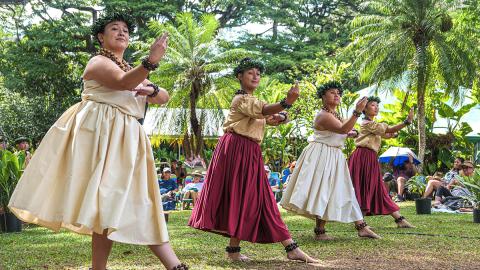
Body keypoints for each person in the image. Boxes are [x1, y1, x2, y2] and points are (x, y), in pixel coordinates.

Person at [8, 13, 187, 270]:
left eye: (125, 29)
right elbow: (122, 83)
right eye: (115, 28)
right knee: (110, 200)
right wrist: (151, 61)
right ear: (101, 37)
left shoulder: (131, 68)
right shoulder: (98, 61)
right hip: (102, 138)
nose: (122, 32)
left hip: (128, 139)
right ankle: (171, 266)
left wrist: (153, 90)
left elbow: (163, 97)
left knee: (131, 200)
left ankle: (107, 268)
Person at [188, 58, 317, 263]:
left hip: (248, 150)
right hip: (237, 149)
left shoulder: (252, 102)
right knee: (251, 196)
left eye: (258, 72)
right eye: (250, 72)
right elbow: (265, 110)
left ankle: (234, 251)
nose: (255, 76)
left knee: (248, 196)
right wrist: (287, 103)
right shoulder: (242, 99)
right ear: (240, 76)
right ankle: (290, 248)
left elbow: (269, 116)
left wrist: (282, 115)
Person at [281, 81, 379, 240]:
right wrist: (356, 112)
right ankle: (358, 227)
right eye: (332, 92)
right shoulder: (323, 115)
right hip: (321, 154)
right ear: (323, 96)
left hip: (332, 154)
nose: (337, 95)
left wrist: (349, 132)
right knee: (325, 190)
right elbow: (342, 129)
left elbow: (342, 130)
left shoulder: (334, 114)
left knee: (335, 189)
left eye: (338, 93)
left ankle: (350, 227)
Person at [348, 96, 414, 228]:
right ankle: (397, 219)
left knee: (375, 187)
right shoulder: (367, 123)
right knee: (363, 188)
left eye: (377, 105)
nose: (376, 107)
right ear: (364, 109)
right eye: (372, 105)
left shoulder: (374, 125)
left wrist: (396, 131)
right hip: (362, 157)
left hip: (370, 158)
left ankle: (398, 219)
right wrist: (406, 122)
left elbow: (388, 134)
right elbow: (388, 130)